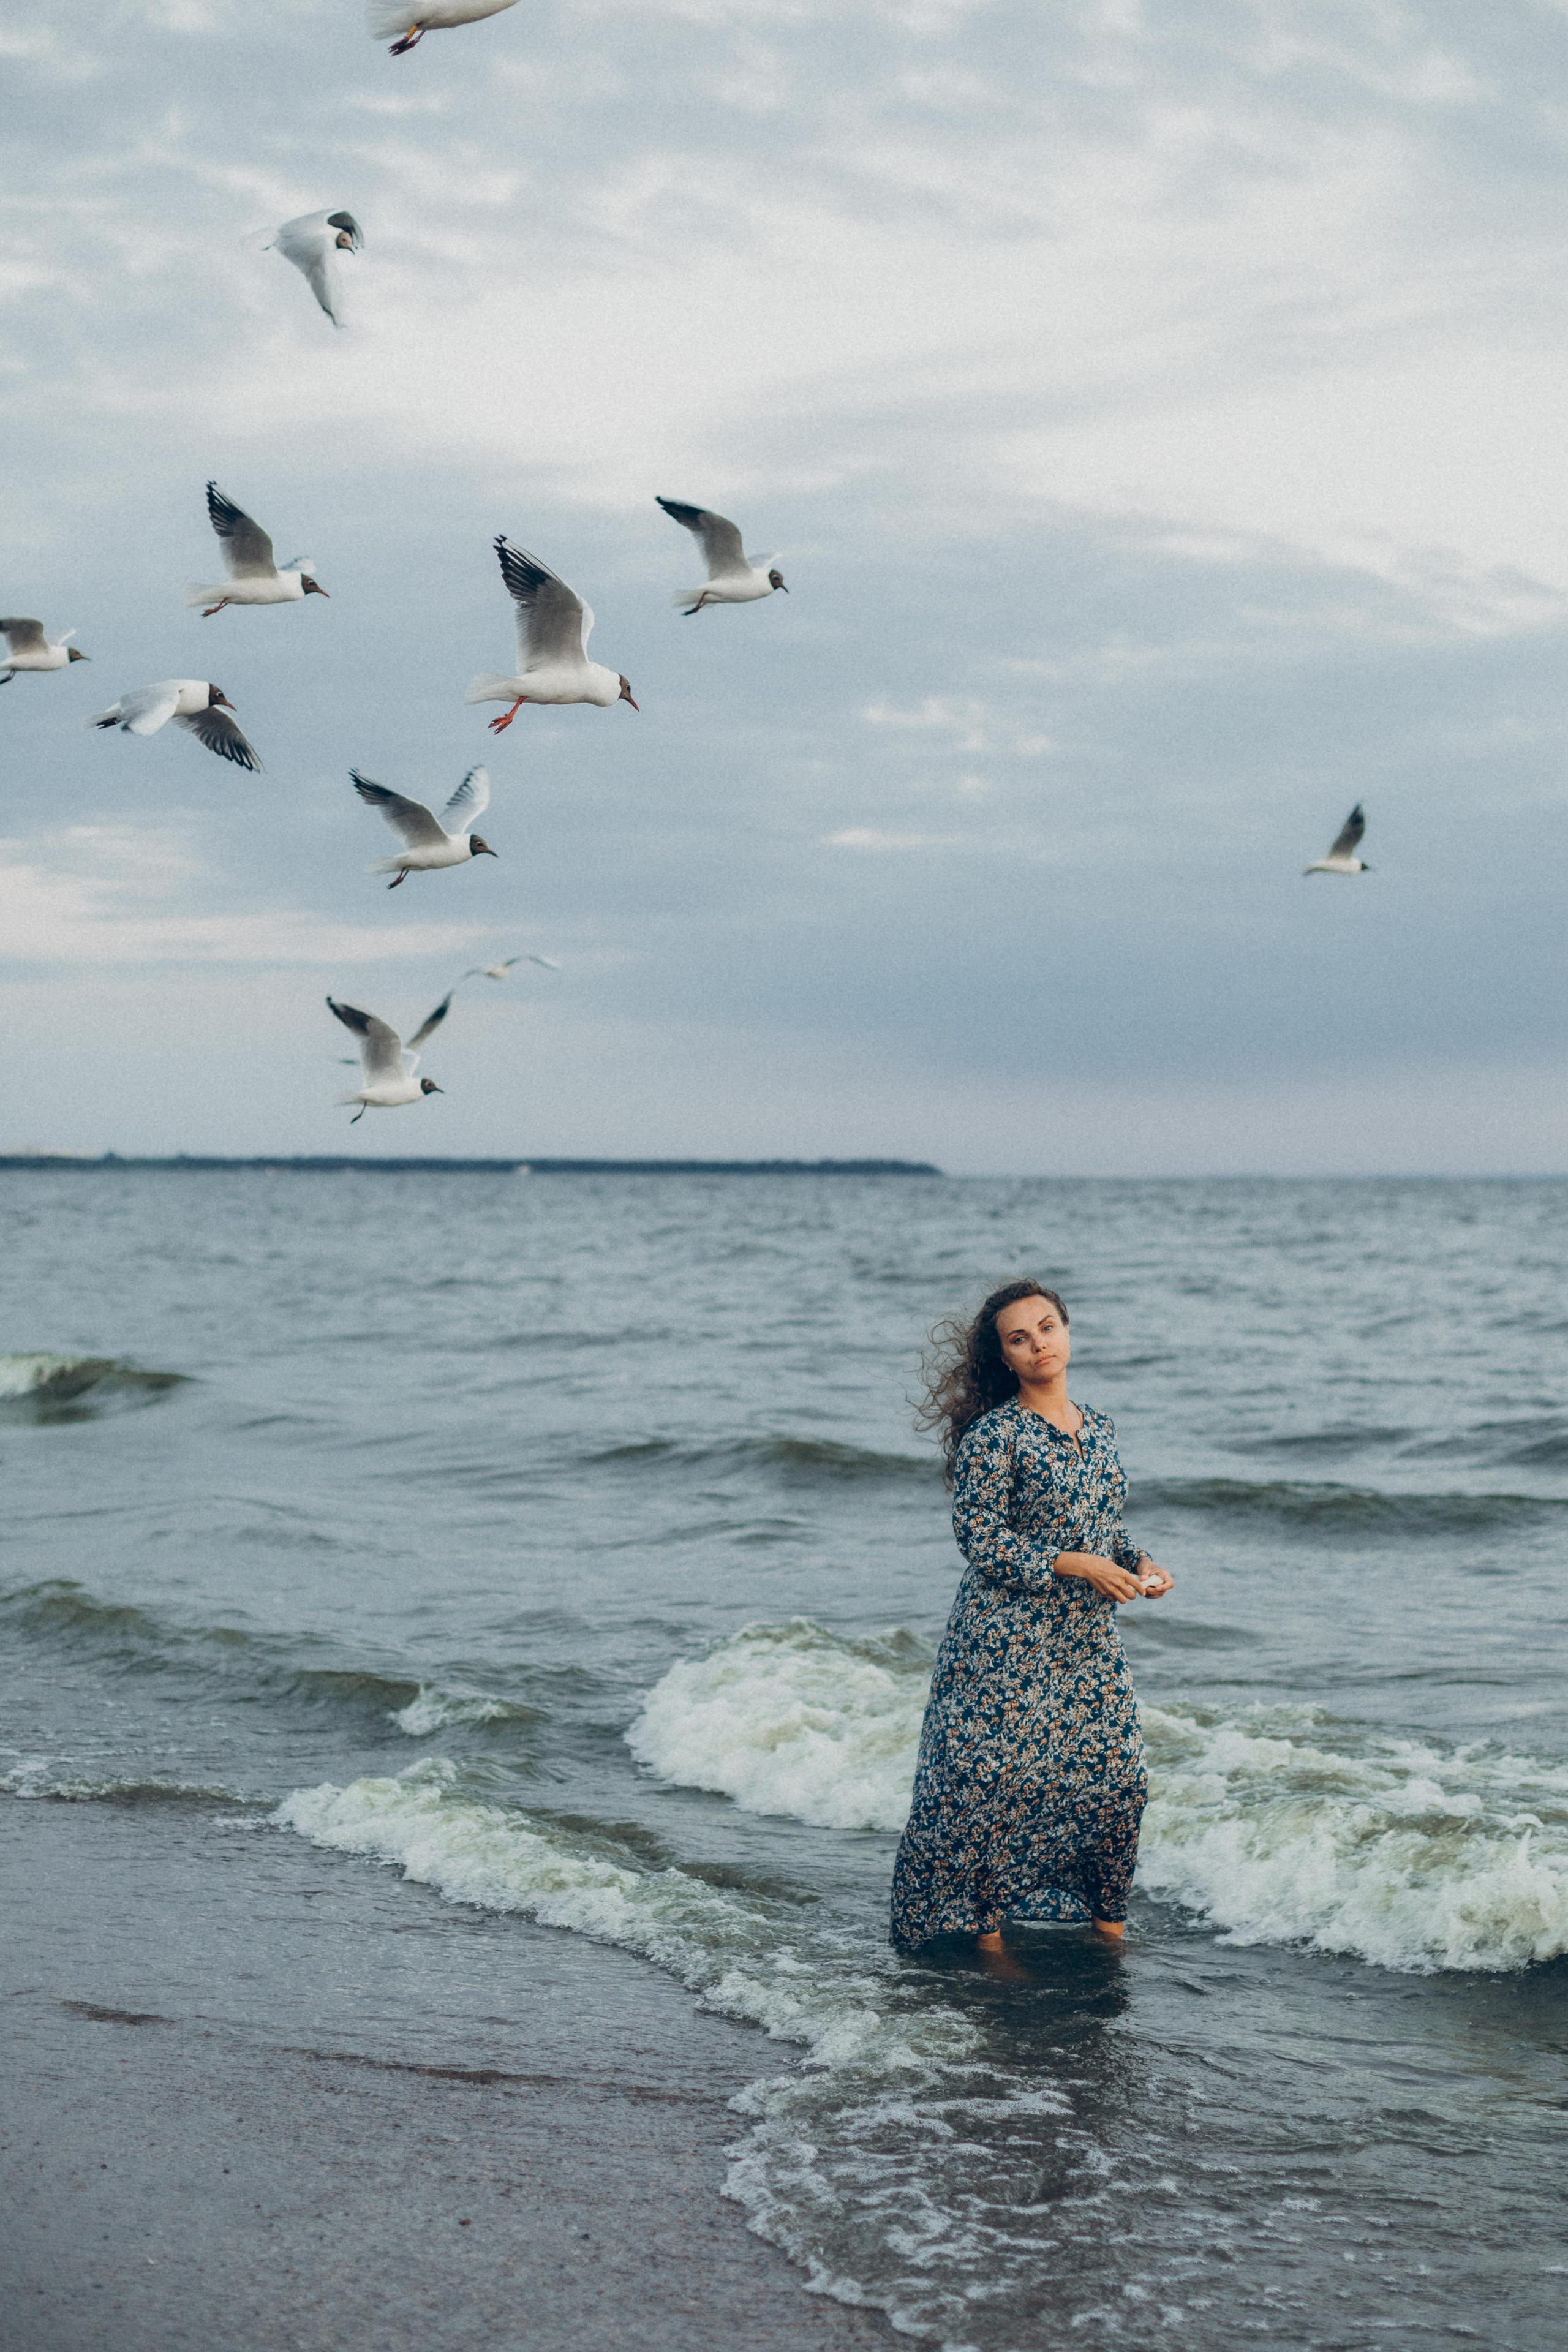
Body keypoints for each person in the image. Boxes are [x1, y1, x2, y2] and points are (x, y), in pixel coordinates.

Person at [890, 1279, 1173, 1954]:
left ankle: (1108, 1930)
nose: (1038, 1344)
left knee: (1118, 1783)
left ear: (1066, 1332)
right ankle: (986, 1941)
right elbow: (980, 1537)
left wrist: (1140, 1563)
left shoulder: (1099, 1426)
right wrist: (1075, 1564)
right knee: (996, 1789)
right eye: (1020, 1338)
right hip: (1003, 1640)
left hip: (1085, 1642)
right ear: (1006, 1358)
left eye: (1047, 1328)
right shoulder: (995, 1436)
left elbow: (1105, 1528)